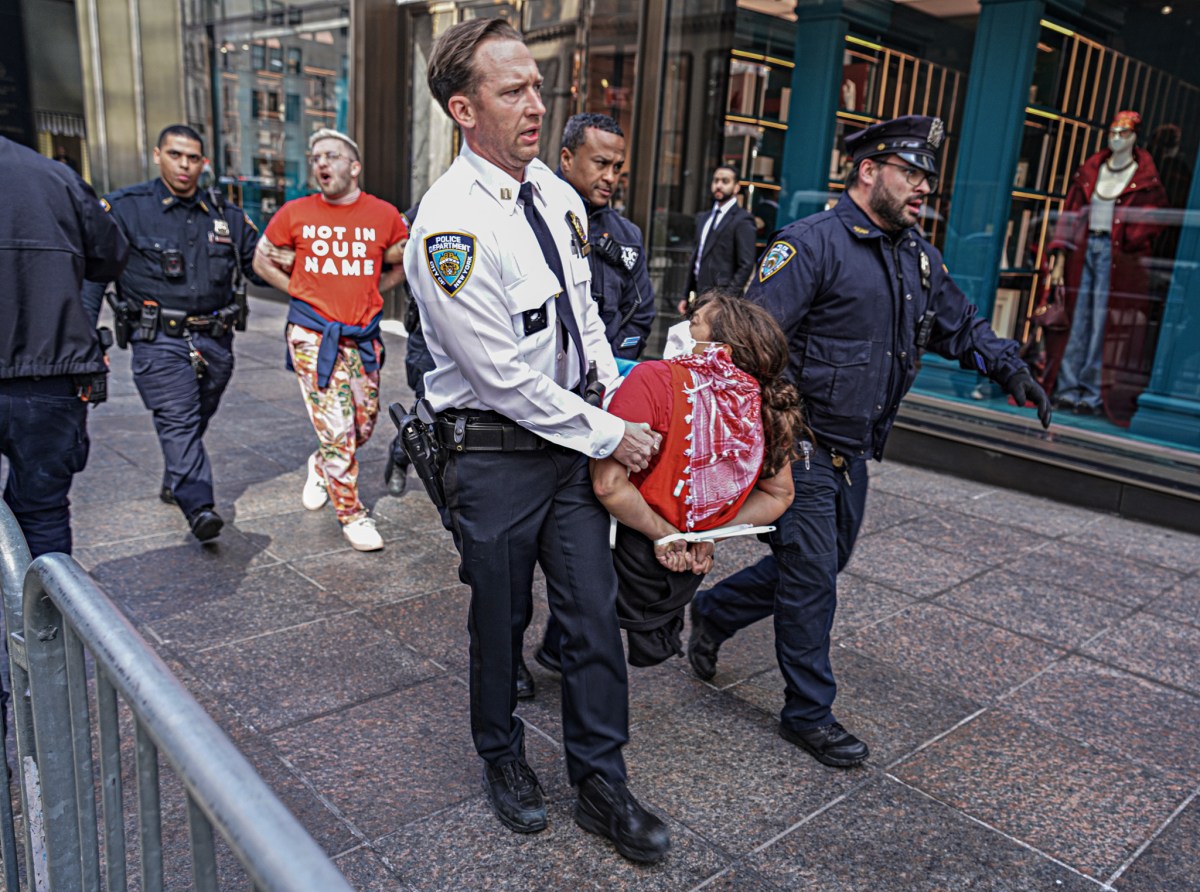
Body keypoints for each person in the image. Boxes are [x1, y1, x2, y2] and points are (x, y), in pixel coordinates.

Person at [688, 115, 1053, 769]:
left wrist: (1010, 366)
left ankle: (715, 611)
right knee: (810, 581)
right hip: (800, 442)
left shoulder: (914, 254)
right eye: (911, 173)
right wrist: (762, 438)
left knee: (824, 565)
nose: (923, 189)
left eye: (927, 178)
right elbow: (752, 342)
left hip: (854, 448)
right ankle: (809, 713)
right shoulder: (811, 245)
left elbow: (961, 324)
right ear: (867, 171)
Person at [404, 18, 670, 863]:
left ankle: (602, 780)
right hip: (493, 455)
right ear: (463, 108)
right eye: (512, 90)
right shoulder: (447, 230)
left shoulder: (556, 195)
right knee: (501, 617)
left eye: (538, 86)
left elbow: (583, 313)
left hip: (572, 444)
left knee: (593, 615)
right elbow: (502, 382)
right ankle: (502, 756)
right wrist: (614, 433)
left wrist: (609, 391)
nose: (536, 104)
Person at [590, 291, 802, 667]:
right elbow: (780, 494)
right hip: (684, 564)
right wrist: (704, 536)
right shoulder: (763, 400)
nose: (684, 326)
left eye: (694, 322)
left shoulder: (653, 377)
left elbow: (608, 484)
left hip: (626, 545)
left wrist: (665, 534)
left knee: (587, 631)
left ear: (724, 345)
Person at [82, 124, 260, 542]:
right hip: (158, 338)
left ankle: (178, 474)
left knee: (195, 415)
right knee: (178, 417)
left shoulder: (225, 214)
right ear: (157, 155)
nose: (184, 165)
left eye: (193, 157)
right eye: (175, 155)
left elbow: (258, 265)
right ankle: (199, 505)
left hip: (215, 340)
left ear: (204, 163)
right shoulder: (126, 209)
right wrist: (84, 340)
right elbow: (94, 278)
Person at [252, 128, 408, 552]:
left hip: (361, 336)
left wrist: (379, 290)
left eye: (332, 156)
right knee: (337, 428)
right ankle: (351, 514)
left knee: (364, 422)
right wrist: (299, 292)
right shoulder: (294, 212)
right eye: (316, 156)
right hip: (311, 335)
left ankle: (320, 463)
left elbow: (403, 260)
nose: (322, 163)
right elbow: (261, 259)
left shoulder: (383, 214)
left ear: (354, 167)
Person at [1, 135, 128, 558]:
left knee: (42, 511)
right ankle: (44, 622)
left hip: (52, 365)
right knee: (43, 512)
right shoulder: (57, 178)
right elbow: (110, 255)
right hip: (52, 372)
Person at [1045, 110, 1167, 424]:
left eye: (1124, 133)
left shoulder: (1144, 178)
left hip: (1119, 258)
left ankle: (1091, 392)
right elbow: (1071, 212)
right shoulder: (1091, 170)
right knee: (1077, 317)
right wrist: (1058, 255)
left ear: (1136, 137)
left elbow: (1155, 217)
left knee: (1104, 322)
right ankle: (1067, 388)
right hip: (1084, 250)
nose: (1116, 138)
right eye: (1112, 132)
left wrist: (1130, 236)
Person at [558, 113, 655, 359]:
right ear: (567, 159)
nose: (611, 177)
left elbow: (641, 313)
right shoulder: (530, 217)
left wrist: (608, 366)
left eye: (617, 167)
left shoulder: (628, 235)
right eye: (600, 163)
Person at [676, 165, 757, 314]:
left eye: (725, 181)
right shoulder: (704, 217)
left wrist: (726, 300)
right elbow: (697, 257)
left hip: (723, 302)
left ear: (736, 187)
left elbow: (746, 265)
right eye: (716, 180)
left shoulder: (743, 220)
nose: (719, 185)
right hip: (700, 297)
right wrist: (685, 295)